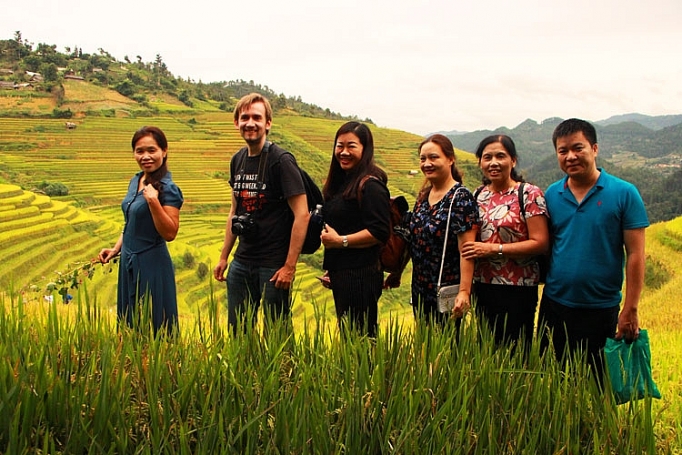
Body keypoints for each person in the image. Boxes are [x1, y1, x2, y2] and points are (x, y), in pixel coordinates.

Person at [539, 118, 649, 378]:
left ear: (595, 148)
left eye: (578, 148)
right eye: (563, 151)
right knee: (550, 380)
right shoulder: (552, 195)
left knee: (600, 386)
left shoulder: (624, 193)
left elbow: (635, 254)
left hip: (601, 309)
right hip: (555, 304)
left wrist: (630, 308)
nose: (570, 156)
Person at [213, 93, 309, 334]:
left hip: (274, 265)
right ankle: (245, 372)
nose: (250, 123)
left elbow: (302, 214)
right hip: (242, 261)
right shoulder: (238, 160)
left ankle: (284, 373)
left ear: (268, 123)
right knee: (238, 332)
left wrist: (289, 266)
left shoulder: (281, 160)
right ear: (236, 122)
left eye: (257, 117)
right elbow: (234, 211)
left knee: (277, 334)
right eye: (244, 117)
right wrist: (224, 257)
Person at [461, 135, 549, 351]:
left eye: (500, 156)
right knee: (486, 350)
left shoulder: (528, 194)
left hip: (517, 288)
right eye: (487, 157)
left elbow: (540, 242)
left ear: (513, 160)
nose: (493, 163)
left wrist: (493, 249)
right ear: (480, 162)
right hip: (483, 285)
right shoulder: (478, 195)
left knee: (516, 351)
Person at [98, 126, 183, 335]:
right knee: (129, 325)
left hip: (151, 263)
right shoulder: (136, 180)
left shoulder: (168, 188)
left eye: (151, 150)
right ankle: (132, 365)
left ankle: (158, 365)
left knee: (154, 327)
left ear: (164, 151)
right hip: (128, 259)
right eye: (139, 151)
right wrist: (116, 249)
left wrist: (154, 202)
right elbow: (131, 222)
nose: (146, 156)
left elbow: (170, 233)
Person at [320, 121, 390, 338]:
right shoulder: (342, 183)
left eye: (351, 146)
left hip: (361, 274)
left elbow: (379, 231)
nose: (344, 152)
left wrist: (340, 241)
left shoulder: (370, 185)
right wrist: (333, 266)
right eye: (340, 146)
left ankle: (367, 373)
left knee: (361, 337)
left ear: (365, 149)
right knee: (350, 336)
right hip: (344, 273)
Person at [407, 134, 478, 327]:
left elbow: (467, 250)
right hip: (420, 289)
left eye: (433, 157)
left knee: (446, 349)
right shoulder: (423, 196)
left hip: (446, 291)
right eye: (423, 159)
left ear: (450, 159)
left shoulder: (461, 198)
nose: (427, 163)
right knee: (425, 347)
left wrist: (464, 291)